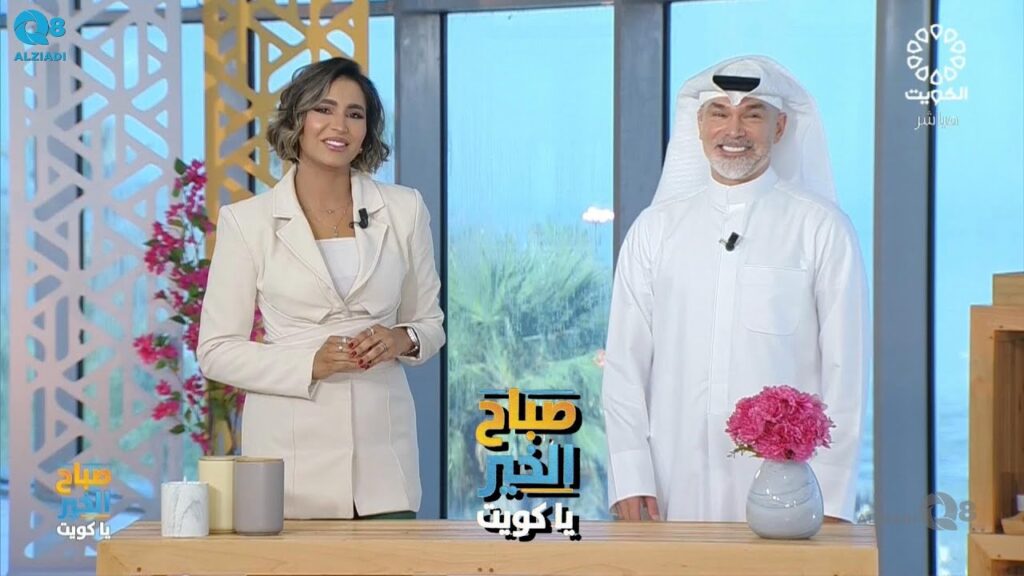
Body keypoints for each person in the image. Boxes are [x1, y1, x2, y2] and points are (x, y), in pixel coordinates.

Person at [601, 56, 868, 523]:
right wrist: (630, 476)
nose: (734, 130)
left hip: (787, 490)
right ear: (699, 126)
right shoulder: (654, 230)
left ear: (780, 127)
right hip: (670, 482)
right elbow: (625, 364)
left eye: (753, 114)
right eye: (720, 113)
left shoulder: (822, 229)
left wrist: (828, 498)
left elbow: (845, 374)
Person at [197, 57, 445, 520]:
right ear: (297, 120)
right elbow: (216, 351)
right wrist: (309, 363)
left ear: (367, 131)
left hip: (385, 470)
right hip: (286, 470)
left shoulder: (405, 209)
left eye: (355, 114)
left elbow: (429, 324)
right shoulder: (247, 222)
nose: (339, 126)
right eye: (324, 110)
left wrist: (399, 339)